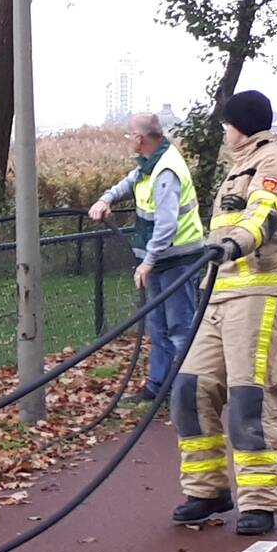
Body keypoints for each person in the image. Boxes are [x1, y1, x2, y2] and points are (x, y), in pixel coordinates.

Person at [169, 90, 277, 535]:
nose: (224, 131)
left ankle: (259, 503)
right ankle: (207, 489)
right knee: (191, 389)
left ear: (241, 125)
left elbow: (262, 215)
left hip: (264, 293)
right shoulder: (237, 167)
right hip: (224, 296)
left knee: (249, 397)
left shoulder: (272, 163)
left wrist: (237, 243)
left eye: (227, 124)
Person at [89, 113, 205, 405]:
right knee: (159, 327)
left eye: (130, 135)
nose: (129, 139)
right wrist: (106, 199)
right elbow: (129, 183)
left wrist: (147, 262)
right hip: (162, 260)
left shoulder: (166, 171)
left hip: (177, 259)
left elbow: (166, 224)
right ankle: (158, 388)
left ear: (140, 139)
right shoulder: (151, 164)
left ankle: (186, 394)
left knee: (180, 328)